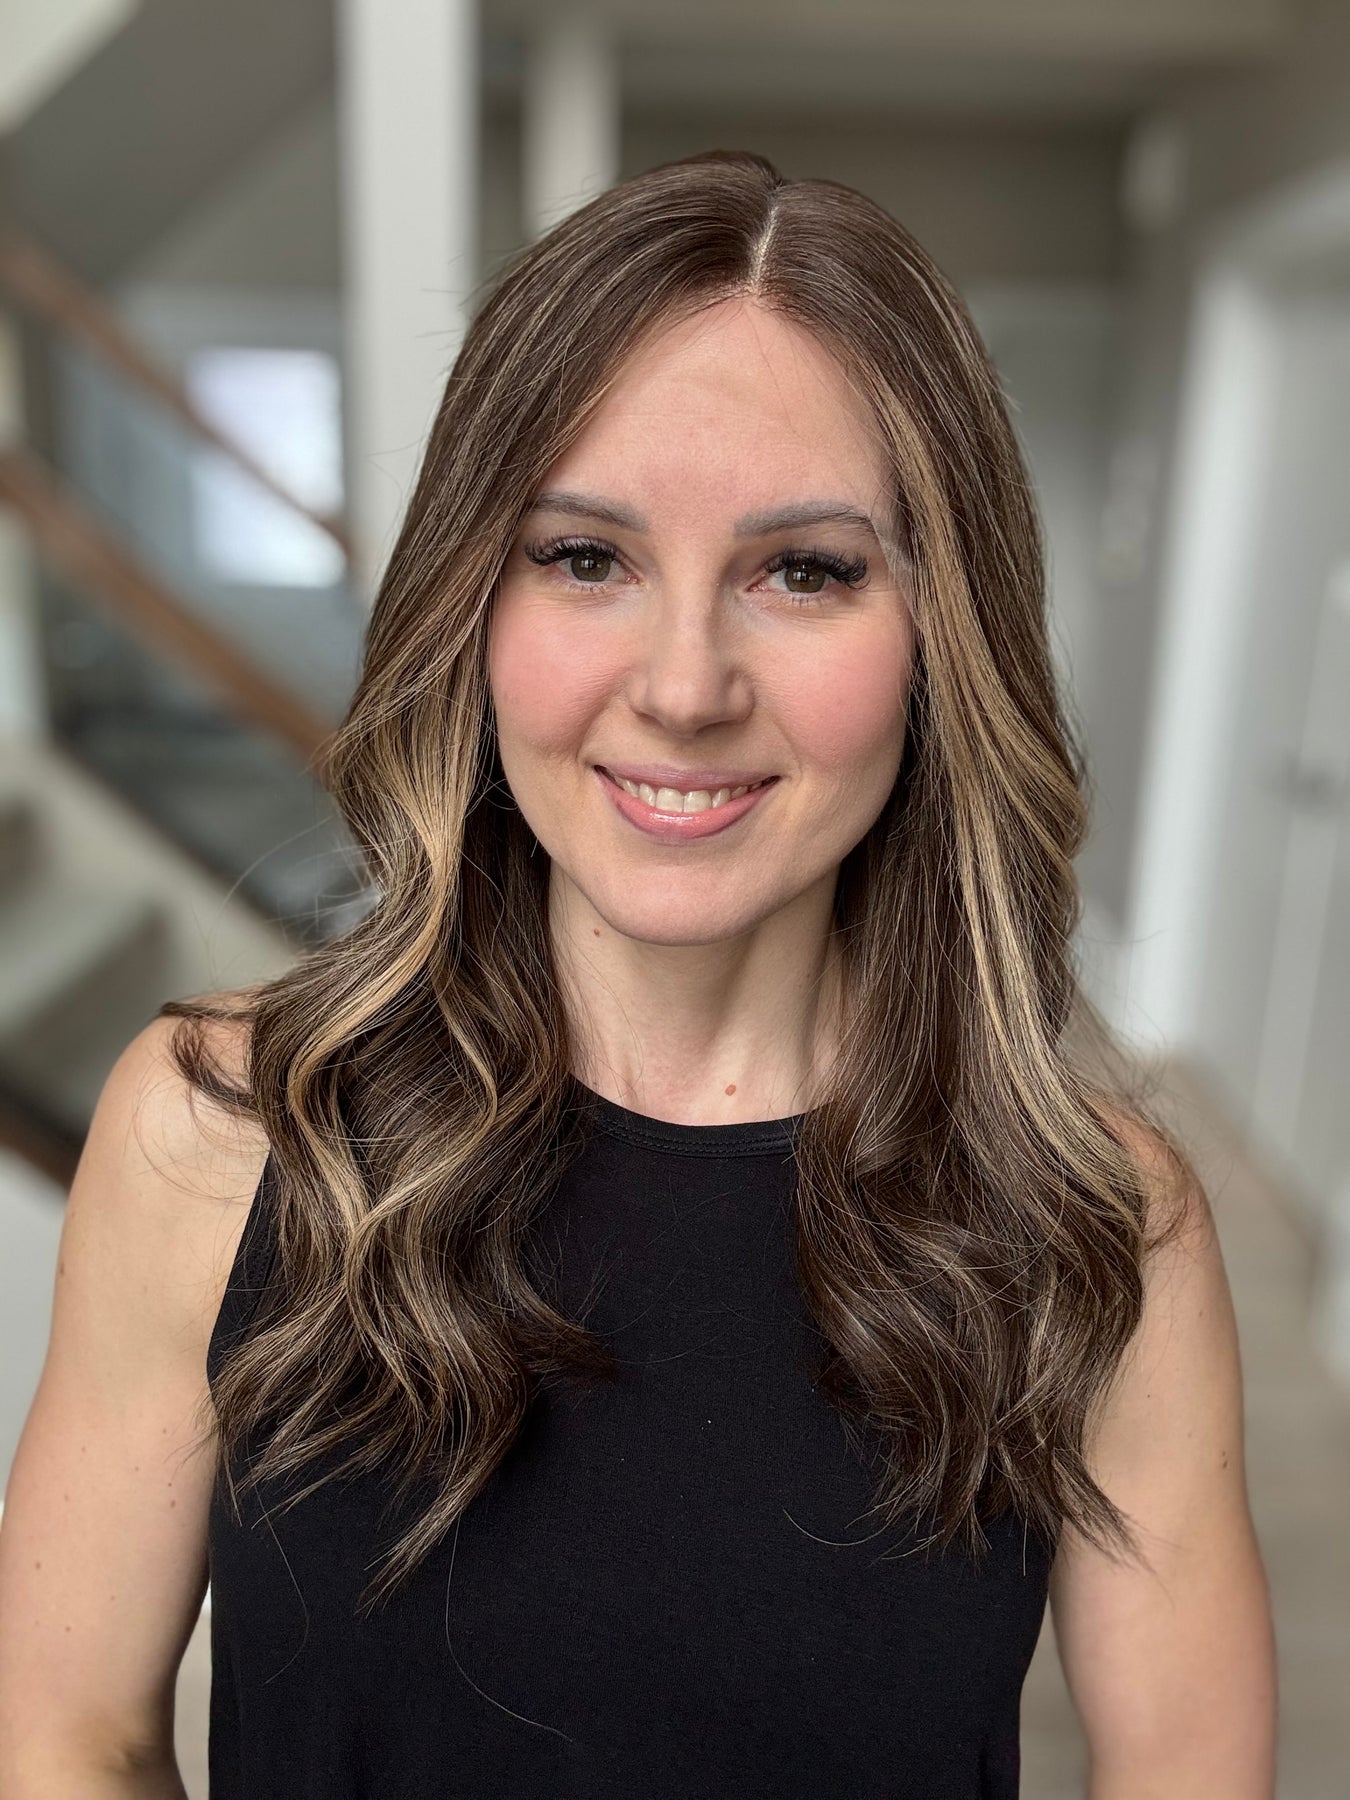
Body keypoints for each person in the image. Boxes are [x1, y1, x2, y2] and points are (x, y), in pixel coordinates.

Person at [0, 149, 1276, 1798]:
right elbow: (69, 1733)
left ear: (940, 634)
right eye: (584, 557)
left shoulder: (1092, 1227)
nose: (682, 687)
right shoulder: (224, 1133)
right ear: (472, 600)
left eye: (803, 569)